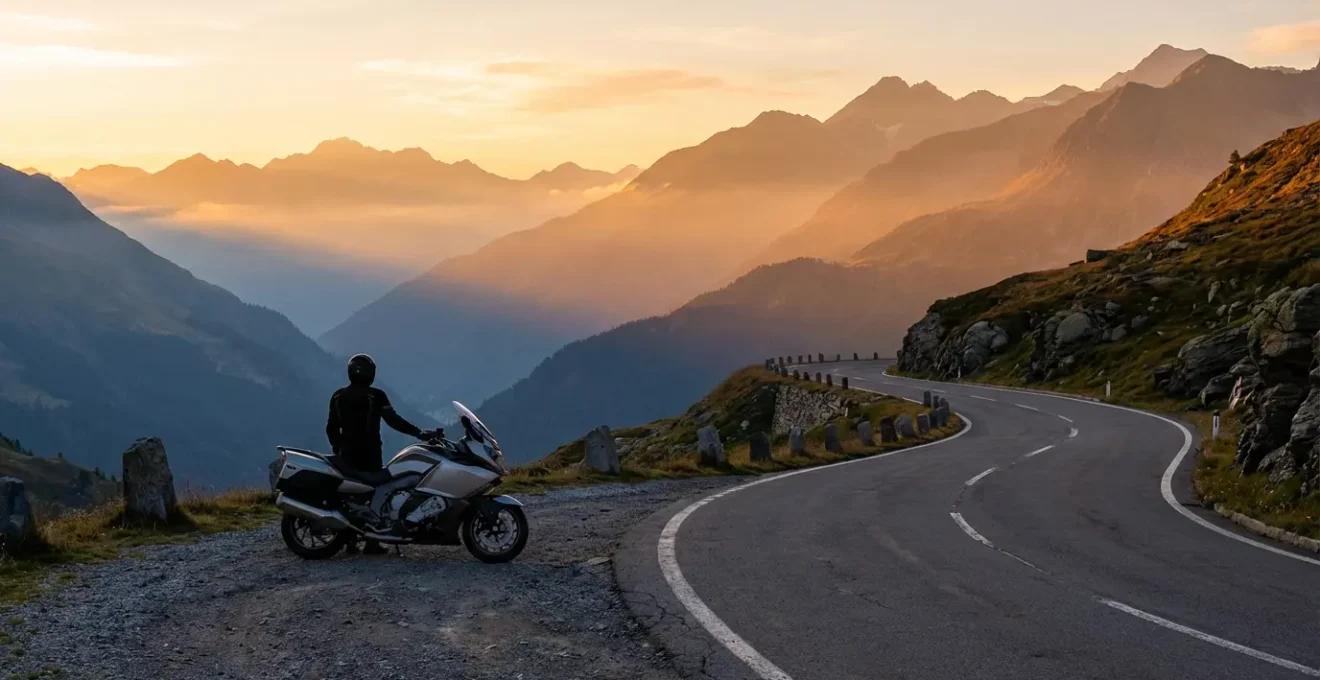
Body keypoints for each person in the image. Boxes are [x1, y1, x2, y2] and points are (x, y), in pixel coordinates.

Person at [326, 353, 435, 555]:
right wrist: (418, 433)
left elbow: (331, 427)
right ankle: (372, 542)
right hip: (370, 452)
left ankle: (349, 540)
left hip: (346, 453)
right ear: (370, 374)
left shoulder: (338, 396)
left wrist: (337, 446)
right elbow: (394, 420)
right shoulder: (375, 396)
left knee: (350, 494)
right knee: (376, 493)